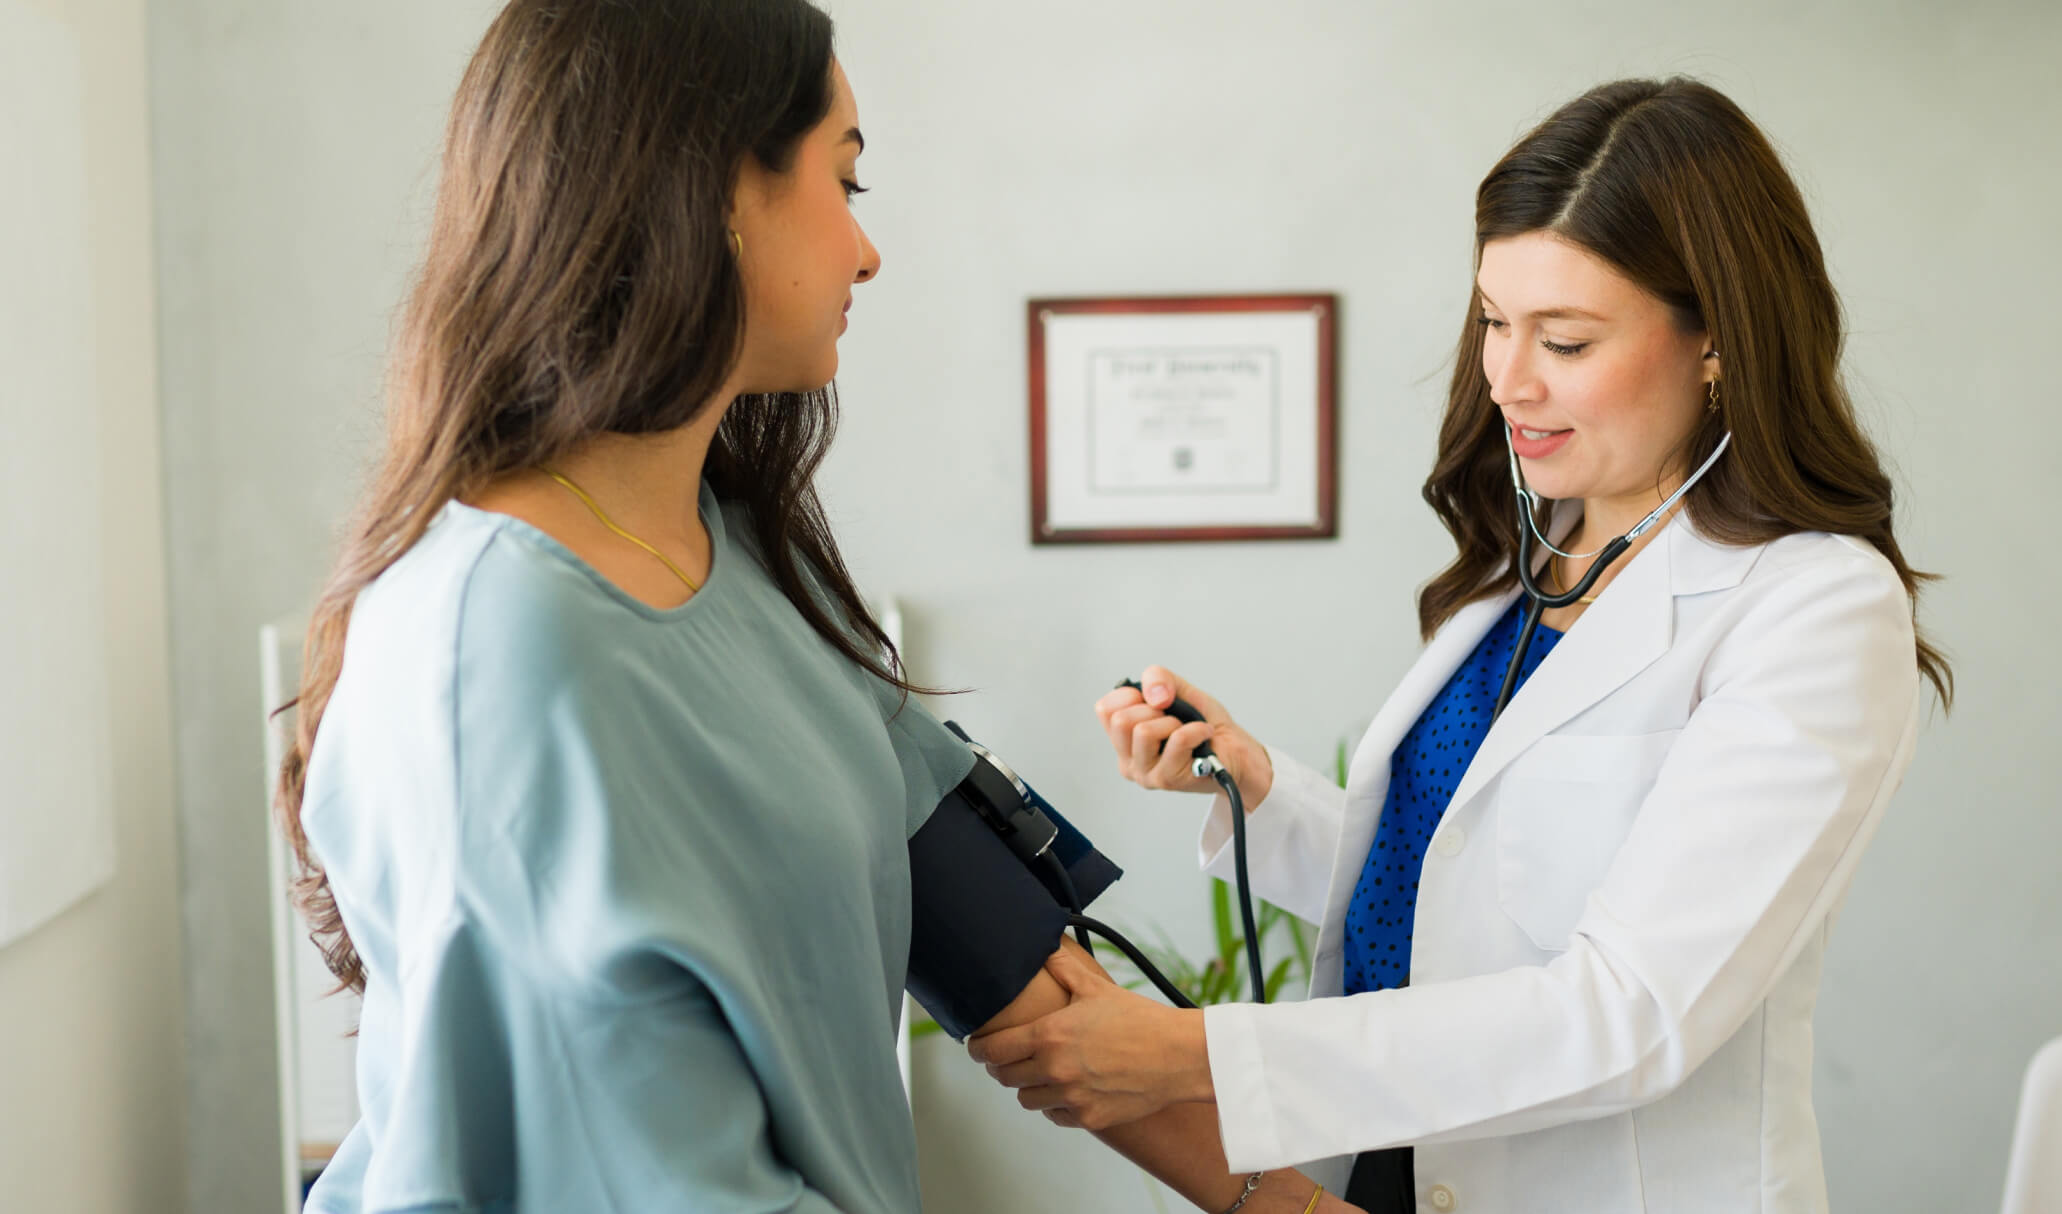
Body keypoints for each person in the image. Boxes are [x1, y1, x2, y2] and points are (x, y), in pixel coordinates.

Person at [278, 3, 1357, 1212]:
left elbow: (1016, 972)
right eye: (844, 181)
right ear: (713, 188)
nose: (865, 249)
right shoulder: (499, 647)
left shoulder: (727, 554)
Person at [969, 77, 1951, 1214]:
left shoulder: (1814, 607)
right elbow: (1463, 883)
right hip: (1402, 1171)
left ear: (1719, 339)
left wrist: (1200, 1053)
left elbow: (1633, 1007)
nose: (1507, 379)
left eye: (1567, 339)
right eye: (1494, 318)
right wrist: (1264, 790)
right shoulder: (1531, 554)